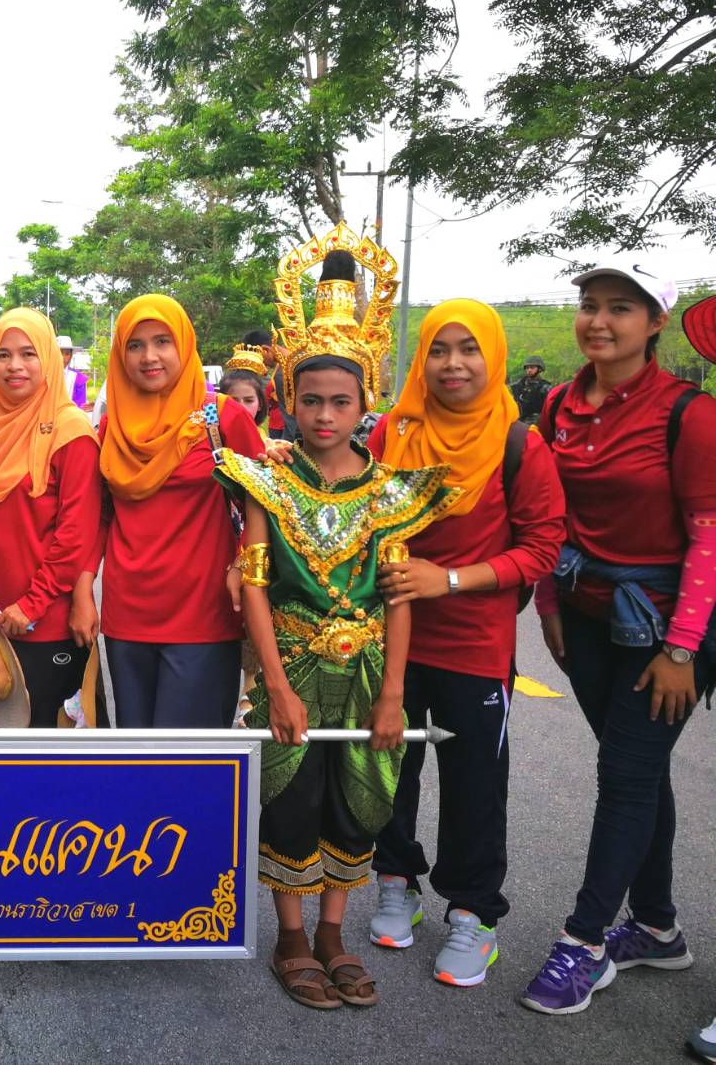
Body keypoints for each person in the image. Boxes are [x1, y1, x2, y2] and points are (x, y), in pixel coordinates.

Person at [217, 243, 458, 1011]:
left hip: (366, 675)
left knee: (356, 802)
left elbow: (399, 598)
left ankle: (333, 932)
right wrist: (276, 686)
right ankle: (291, 936)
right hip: (288, 669)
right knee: (291, 800)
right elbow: (255, 589)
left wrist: (393, 696)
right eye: (312, 400)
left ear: (365, 404)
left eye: (341, 403)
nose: (325, 416)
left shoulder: (390, 494)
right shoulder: (265, 479)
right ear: (289, 400)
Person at [522, 257, 716, 1016]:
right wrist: (548, 605)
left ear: (656, 322)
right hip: (584, 617)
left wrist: (681, 651)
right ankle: (659, 928)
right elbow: (546, 516)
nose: (598, 321)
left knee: (626, 776)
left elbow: (709, 536)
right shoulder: (559, 405)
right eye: (590, 304)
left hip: (666, 631)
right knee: (638, 770)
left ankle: (585, 941)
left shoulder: (688, 414)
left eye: (620, 308)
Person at [365, 299, 565, 989]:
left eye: (469, 349)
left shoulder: (518, 444)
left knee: (474, 785)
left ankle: (474, 914)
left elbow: (541, 548)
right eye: (439, 350)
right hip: (390, 641)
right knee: (389, 771)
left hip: (474, 647)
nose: (453, 364)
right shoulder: (392, 432)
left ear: (494, 357)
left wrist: (447, 579)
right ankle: (396, 880)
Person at [97, 294, 265, 727]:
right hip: (126, 614)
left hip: (203, 612)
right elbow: (100, 517)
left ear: (184, 345)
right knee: (136, 752)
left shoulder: (222, 418)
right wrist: (82, 590)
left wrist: (243, 564)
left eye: (162, 342)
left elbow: (264, 503)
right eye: (135, 345)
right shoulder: (112, 425)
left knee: (189, 755)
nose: (149, 357)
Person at [0, 309, 102, 727]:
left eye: (28, 354)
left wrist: (33, 603)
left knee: (52, 739)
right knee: (7, 736)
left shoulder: (71, 431)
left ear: (49, 359)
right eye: (3, 355)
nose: (14, 366)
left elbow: (75, 532)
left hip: (50, 619)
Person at [244, 327, 293, 439]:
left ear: (265, 350)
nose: (263, 365)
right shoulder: (300, 357)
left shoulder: (282, 374)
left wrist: (284, 445)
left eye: (259, 360)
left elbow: (291, 421)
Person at [511, 354, 551, 424]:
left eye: (532, 368)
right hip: (517, 419)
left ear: (539, 369)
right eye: (527, 368)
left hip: (535, 420)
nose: (529, 370)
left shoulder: (545, 387)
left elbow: (549, 409)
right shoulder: (518, 385)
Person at [56, 335, 88, 407]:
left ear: (71, 356)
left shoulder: (78, 378)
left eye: (67, 354)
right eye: (60, 353)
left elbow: (80, 405)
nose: (63, 357)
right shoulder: (44, 375)